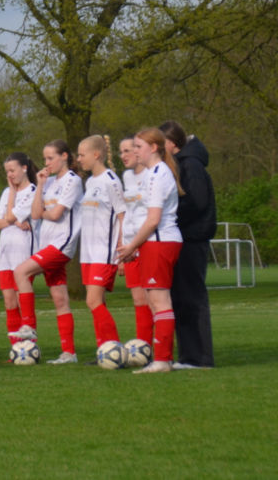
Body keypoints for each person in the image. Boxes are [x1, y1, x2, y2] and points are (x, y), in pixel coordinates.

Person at [116, 129, 185, 374]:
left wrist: (132, 246)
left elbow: (153, 219)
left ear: (153, 148)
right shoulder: (153, 174)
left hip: (159, 242)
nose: (134, 151)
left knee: (159, 302)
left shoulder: (158, 175)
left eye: (137, 146)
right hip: (153, 243)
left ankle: (163, 360)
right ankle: (162, 358)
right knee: (155, 303)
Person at [9, 140, 83, 365]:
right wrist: (40, 186)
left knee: (20, 272)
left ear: (64, 156)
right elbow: (34, 213)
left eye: (51, 158)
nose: (47, 163)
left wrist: (43, 211)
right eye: (45, 159)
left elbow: (55, 214)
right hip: (47, 244)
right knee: (60, 299)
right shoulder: (48, 182)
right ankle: (69, 353)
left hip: (62, 243)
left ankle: (29, 325)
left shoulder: (74, 180)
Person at [160, 121, 216, 369]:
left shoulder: (191, 164)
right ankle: (187, 356)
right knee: (179, 298)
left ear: (171, 143)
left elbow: (197, 202)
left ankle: (200, 358)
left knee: (192, 297)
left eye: (161, 144)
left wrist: (167, 217)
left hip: (192, 239)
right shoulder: (178, 164)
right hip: (181, 237)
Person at [76, 135, 125, 359]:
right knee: (97, 302)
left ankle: (114, 349)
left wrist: (123, 249)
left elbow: (123, 216)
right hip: (88, 253)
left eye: (82, 155)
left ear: (96, 155)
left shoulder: (111, 181)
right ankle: (103, 351)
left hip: (104, 253)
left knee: (92, 301)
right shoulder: (91, 182)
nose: (79, 159)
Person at [0, 153, 40, 350]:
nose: (9, 175)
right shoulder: (6, 192)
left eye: (12, 170)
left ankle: (29, 347)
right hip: (5, 254)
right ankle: (15, 347)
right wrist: (12, 218)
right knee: (9, 301)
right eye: (7, 172)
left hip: (23, 254)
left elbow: (9, 216)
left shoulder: (32, 191)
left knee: (22, 300)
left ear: (24, 168)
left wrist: (11, 218)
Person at [118, 137, 152, 345]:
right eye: (121, 151)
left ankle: (160, 347)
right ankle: (144, 346)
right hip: (130, 247)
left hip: (149, 243)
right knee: (139, 301)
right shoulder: (127, 176)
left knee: (155, 300)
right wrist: (123, 250)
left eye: (128, 150)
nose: (123, 155)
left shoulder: (153, 174)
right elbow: (125, 215)